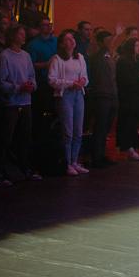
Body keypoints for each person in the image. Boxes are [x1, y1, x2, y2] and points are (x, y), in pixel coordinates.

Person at [0, 24, 40, 184]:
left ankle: (24, 168)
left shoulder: (26, 56)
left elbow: (32, 76)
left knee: (25, 137)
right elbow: (0, 82)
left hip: (26, 102)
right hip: (11, 104)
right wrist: (18, 87)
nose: (23, 36)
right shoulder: (5, 56)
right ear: (13, 36)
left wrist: (31, 85)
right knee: (5, 139)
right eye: (20, 33)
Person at [48, 29, 90, 175]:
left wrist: (82, 81)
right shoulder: (57, 59)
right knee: (68, 131)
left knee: (78, 130)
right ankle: (67, 163)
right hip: (65, 95)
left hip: (78, 94)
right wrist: (70, 83)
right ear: (61, 43)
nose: (71, 41)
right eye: (67, 39)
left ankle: (74, 161)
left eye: (72, 38)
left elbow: (85, 76)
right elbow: (52, 80)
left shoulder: (80, 58)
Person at [89, 30, 118, 168]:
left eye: (110, 39)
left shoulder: (109, 56)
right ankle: (96, 157)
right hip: (101, 95)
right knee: (100, 127)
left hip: (111, 94)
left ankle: (101, 154)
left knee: (106, 128)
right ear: (101, 42)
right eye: (107, 40)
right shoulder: (97, 57)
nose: (109, 42)